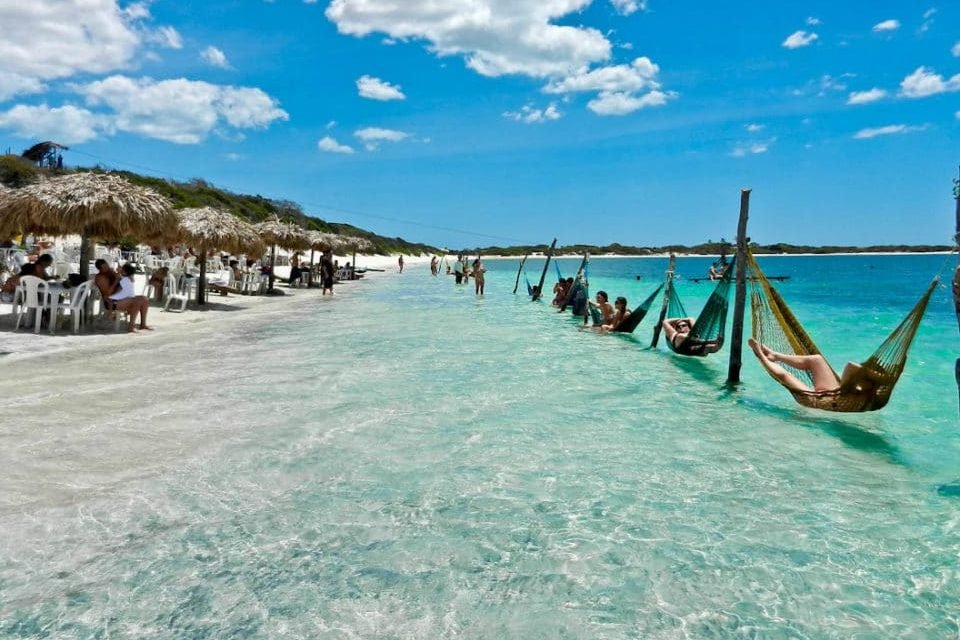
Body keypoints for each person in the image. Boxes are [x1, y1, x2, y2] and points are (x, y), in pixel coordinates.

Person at [747, 337, 878, 394]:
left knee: (785, 376)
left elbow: (851, 366)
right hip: (831, 393)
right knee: (816, 359)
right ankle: (774, 355)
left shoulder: (866, 391)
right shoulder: (864, 388)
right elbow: (852, 367)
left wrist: (877, 377)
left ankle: (762, 355)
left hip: (825, 398)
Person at [108, 263, 151, 332]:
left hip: (126, 300)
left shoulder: (127, 278)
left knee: (145, 299)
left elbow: (129, 280)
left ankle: (143, 324)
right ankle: (131, 327)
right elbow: (111, 292)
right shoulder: (119, 278)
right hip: (115, 301)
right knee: (138, 301)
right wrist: (116, 280)